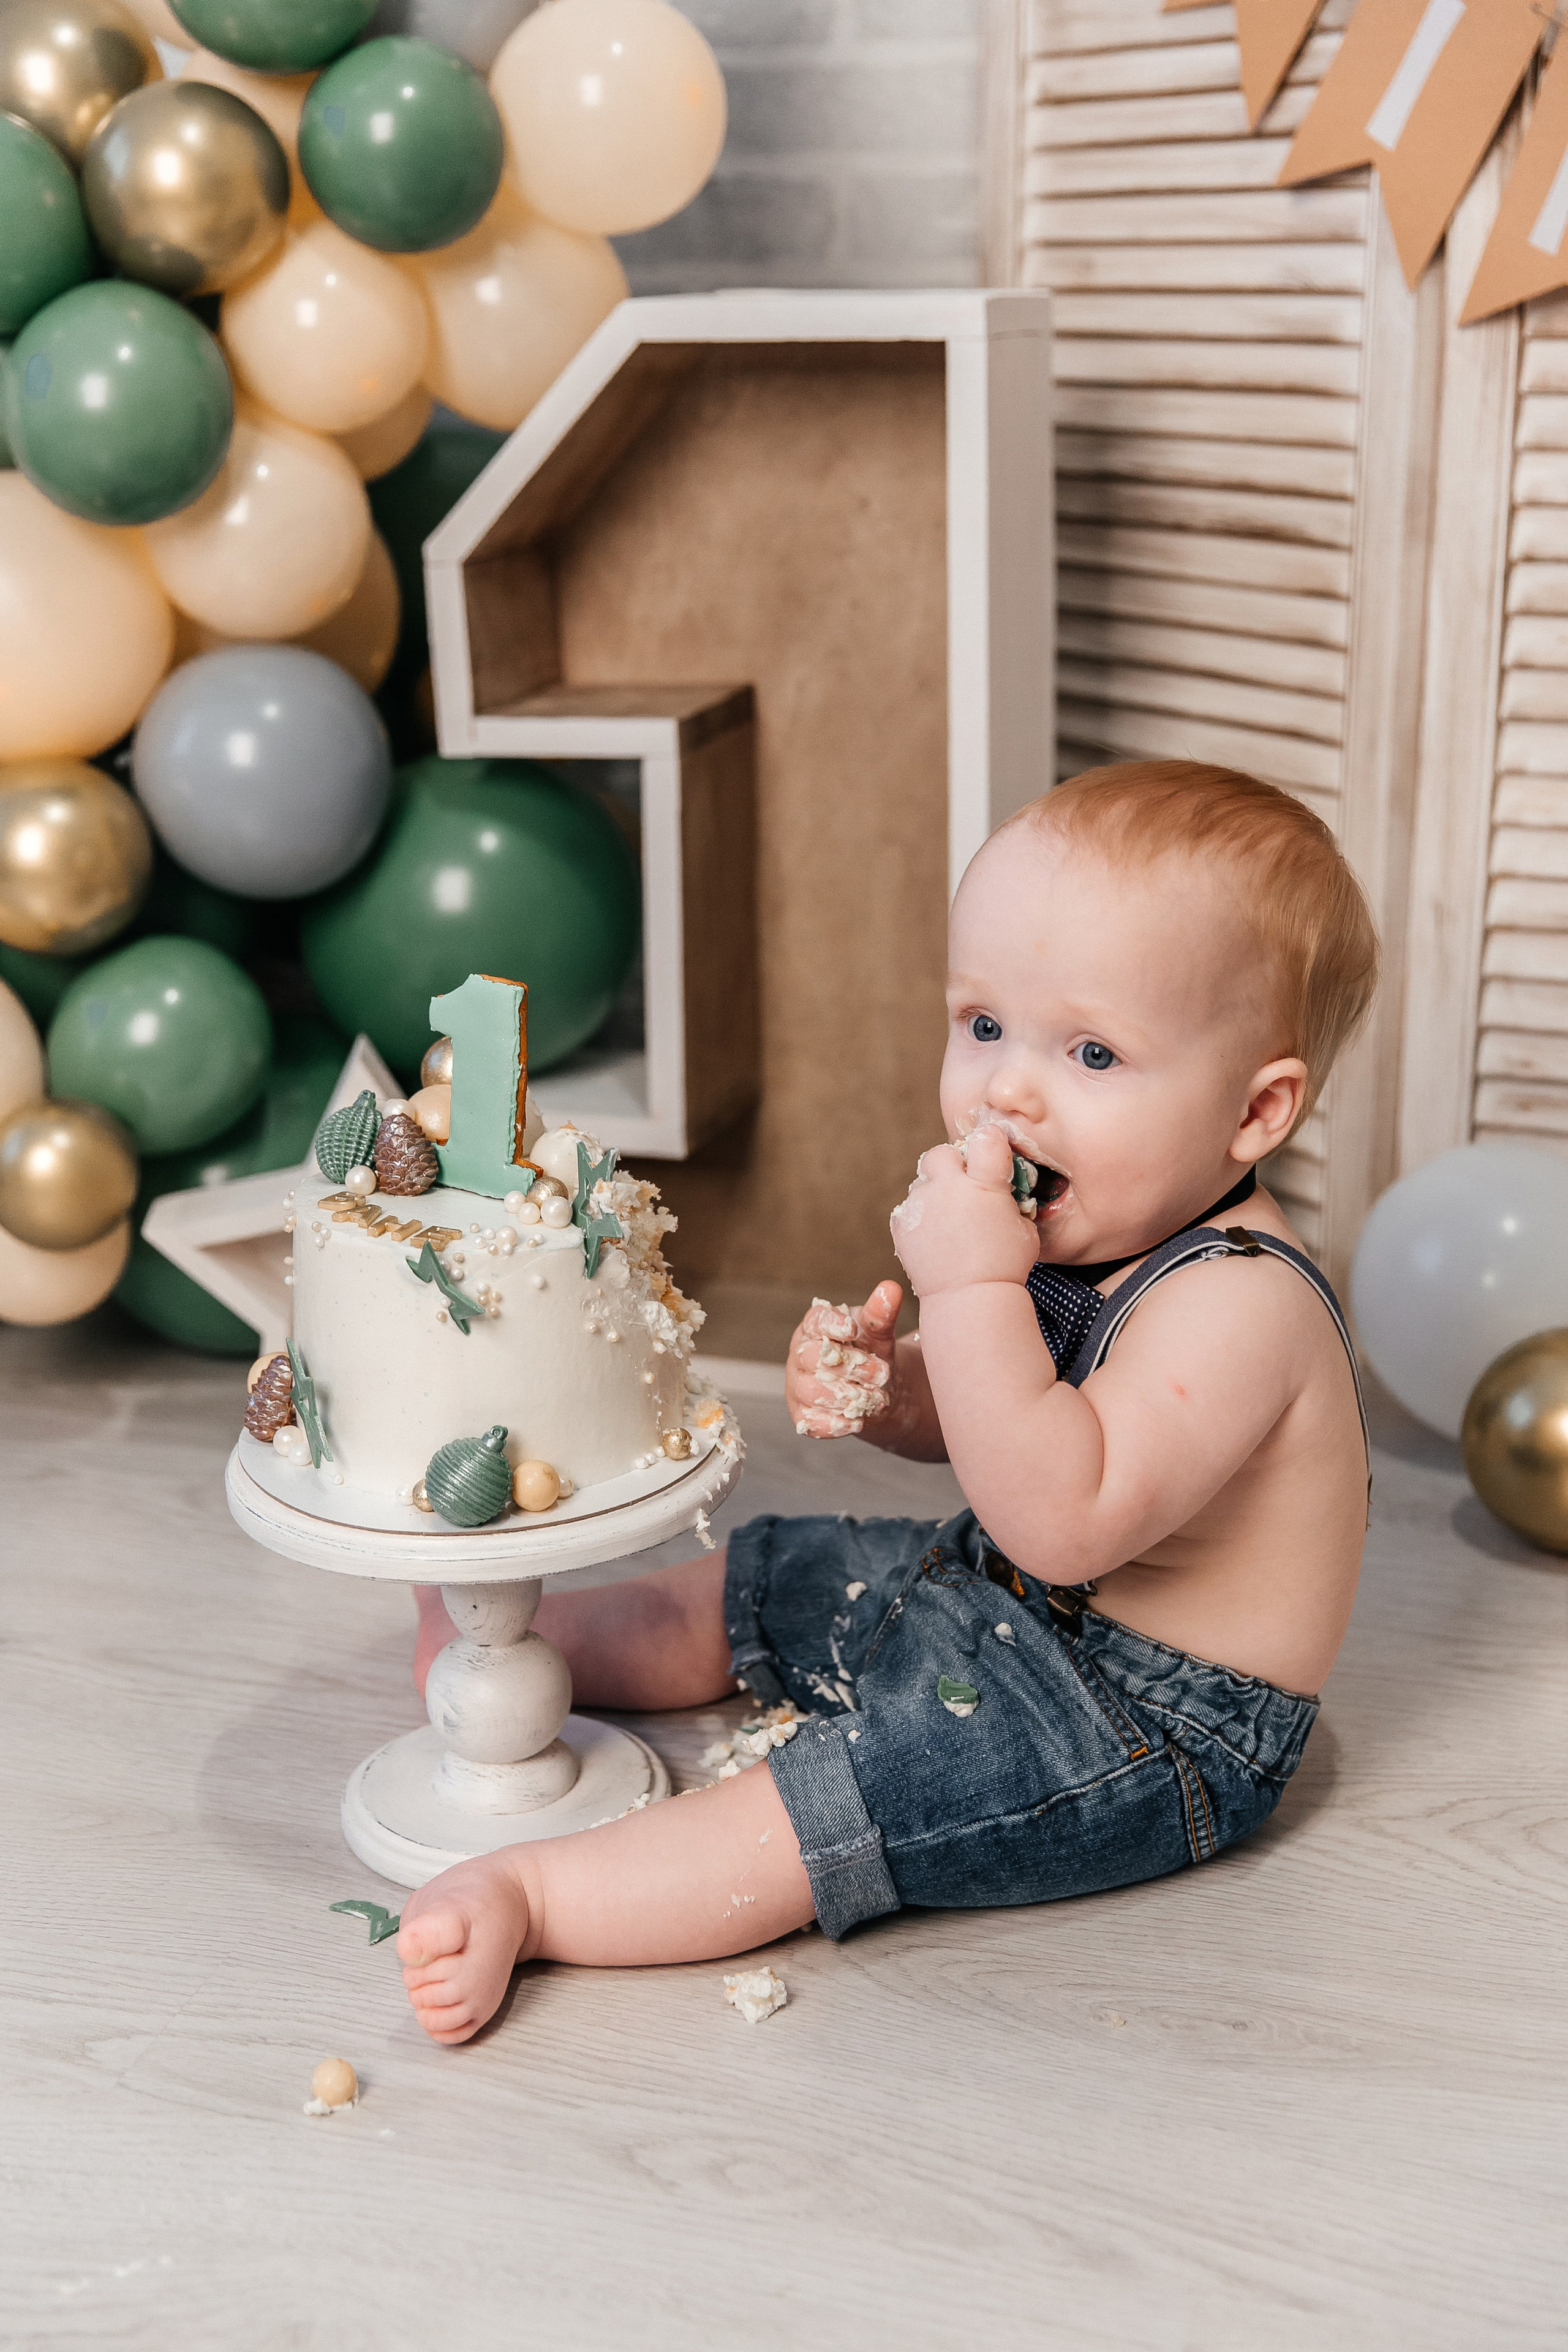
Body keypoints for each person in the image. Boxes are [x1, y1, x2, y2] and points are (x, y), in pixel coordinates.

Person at [398, 760, 1379, 2045]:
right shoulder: (1100, 1224)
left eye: (1089, 1050)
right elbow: (1004, 1414)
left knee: (849, 1790)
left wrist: (970, 1285)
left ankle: (541, 1896)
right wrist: (889, 1391)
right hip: (1013, 1596)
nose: (1007, 1091)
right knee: (791, 1569)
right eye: (981, 1026)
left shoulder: (1242, 1305)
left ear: (1253, 1111)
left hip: (1149, 1721)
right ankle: (528, 1659)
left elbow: (1063, 1517)